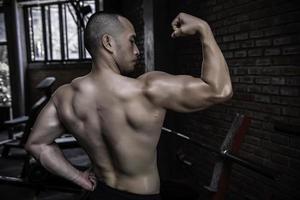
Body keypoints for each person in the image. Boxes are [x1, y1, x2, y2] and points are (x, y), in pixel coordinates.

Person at [25, 12, 232, 200]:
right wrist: (204, 29)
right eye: (131, 40)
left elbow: (36, 144)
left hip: (98, 194)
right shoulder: (148, 89)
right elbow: (219, 90)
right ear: (108, 42)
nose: (137, 50)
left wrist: (79, 178)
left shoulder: (64, 96)